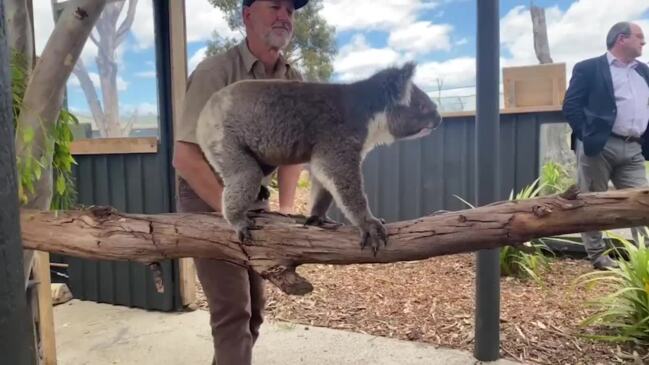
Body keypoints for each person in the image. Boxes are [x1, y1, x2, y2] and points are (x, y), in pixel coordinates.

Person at [172, 0, 308, 363]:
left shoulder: (293, 81)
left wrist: (286, 212)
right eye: (274, 6)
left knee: (255, 314)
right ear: (247, 15)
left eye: (290, 11)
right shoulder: (215, 73)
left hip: (253, 198)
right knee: (234, 314)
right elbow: (185, 158)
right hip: (206, 195)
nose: (284, 16)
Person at [562, 21, 649, 270]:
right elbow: (571, 106)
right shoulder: (589, 68)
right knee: (592, 201)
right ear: (621, 39)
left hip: (634, 146)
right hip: (599, 145)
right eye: (639, 37)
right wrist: (586, 136)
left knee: (641, 202)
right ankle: (598, 256)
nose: (643, 42)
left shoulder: (644, 72)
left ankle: (643, 257)